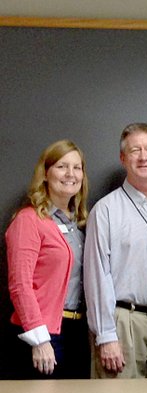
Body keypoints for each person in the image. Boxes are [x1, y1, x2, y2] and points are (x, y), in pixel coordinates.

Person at [84, 123, 147, 378]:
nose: (143, 156)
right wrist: (106, 336)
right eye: (135, 150)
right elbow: (97, 276)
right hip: (122, 322)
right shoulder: (105, 210)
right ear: (123, 158)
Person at [2, 140, 90, 379]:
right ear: (45, 173)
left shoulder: (79, 225)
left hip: (77, 333)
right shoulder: (28, 220)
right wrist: (39, 340)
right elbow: (20, 285)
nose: (70, 174)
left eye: (77, 167)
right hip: (43, 335)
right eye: (62, 166)